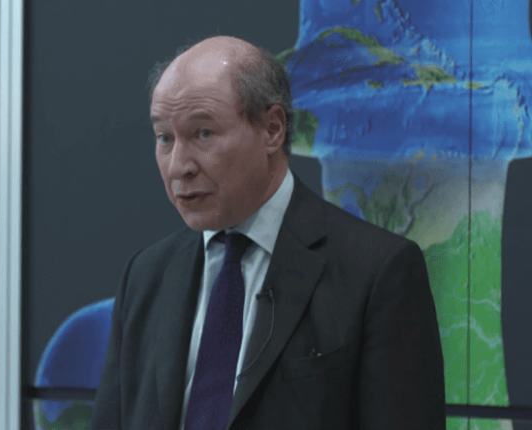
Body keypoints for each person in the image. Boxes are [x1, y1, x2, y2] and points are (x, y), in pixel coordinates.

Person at [89, 35, 445, 430]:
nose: (178, 167)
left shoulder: (377, 272)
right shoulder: (146, 276)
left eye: (203, 133)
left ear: (272, 129)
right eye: (164, 138)